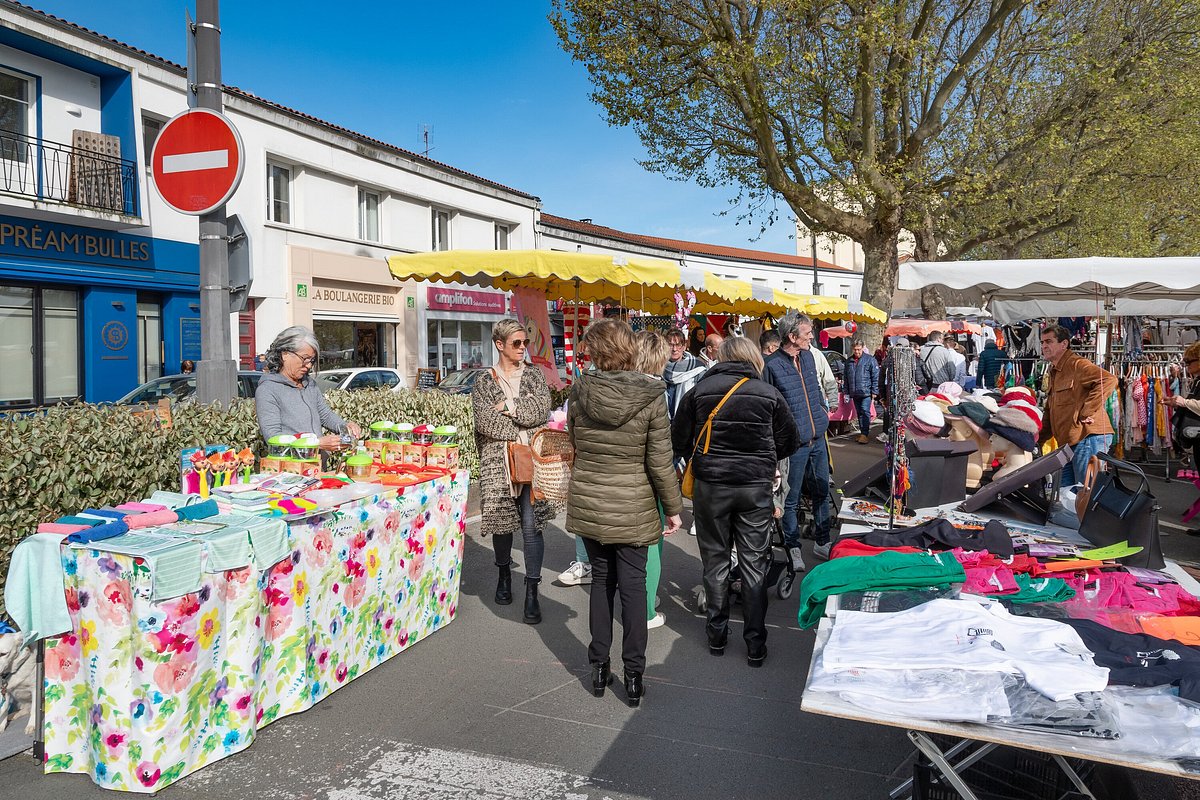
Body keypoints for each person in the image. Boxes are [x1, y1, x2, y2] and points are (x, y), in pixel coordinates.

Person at [566, 319, 682, 706]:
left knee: (602, 584)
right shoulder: (651, 396)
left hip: (592, 500)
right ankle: (634, 675)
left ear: (596, 353)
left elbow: (575, 444)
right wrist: (673, 509)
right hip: (634, 505)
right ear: (628, 350)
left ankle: (599, 666)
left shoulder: (579, 393)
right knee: (633, 591)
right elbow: (661, 462)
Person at [673, 337, 799, 666]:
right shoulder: (768, 393)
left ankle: (716, 635)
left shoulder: (700, 390)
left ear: (723, 357)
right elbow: (790, 440)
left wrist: (701, 458)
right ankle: (755, 642)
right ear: (753, 359)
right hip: (754, 487)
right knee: (754, 565)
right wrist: (763, 458)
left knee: (714, 563)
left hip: (711, 487)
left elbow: (679, 438)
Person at [472, 319, 554, 624]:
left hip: (532, 458)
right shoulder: (483, 380)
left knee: (533, 525)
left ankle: (532, 589)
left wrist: (507, 406)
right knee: (502, 524)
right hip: (497, 462)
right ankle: (504, 573)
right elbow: (485, 423)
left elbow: (541, 410)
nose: (523, 348)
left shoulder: (534, 375)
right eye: (517, 343)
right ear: (499, 344)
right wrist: (522, 416)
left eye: (525, 343)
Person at [762, 311, 833, 570]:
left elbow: (815, 390)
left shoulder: (809, 358)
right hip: (793, 444)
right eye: (807, 333)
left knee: (821, 490)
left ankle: (823, 540)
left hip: (817, 438)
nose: (811, 336)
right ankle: (793, 546)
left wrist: (822, 414)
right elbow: (769, 408)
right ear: (792, 336)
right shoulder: (771, 366)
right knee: (789, 499)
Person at [255, 326, 362, 447]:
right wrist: (316, 444)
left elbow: (325, 415)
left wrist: (345, 426)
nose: (309, 365)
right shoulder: (267, 390)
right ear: (285, 354)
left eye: (312, 360)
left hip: (317, 463)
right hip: (292, 465)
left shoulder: (310, 384)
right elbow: (273, 438)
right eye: (305, 359)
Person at [1039, 324, 1117, 486]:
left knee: (1085, 494)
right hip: (1070, 442)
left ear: (1064, 344)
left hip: (1087, 437)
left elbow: (1109, 379)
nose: (1044, 346)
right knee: (1067, 495)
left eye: (1049, 341)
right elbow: (1050, 409)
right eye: (1042, 342)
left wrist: (1086, 411)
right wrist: (1038, 439)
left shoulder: (1076, 364)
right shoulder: (1054, 371)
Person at [633, 330, 673, 630]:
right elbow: (660, 454)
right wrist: (673, 505)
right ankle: (646, 609)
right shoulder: (657, 392)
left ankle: (639, 601)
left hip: (617, 478)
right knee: (651, 545)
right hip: (648, 480)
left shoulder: (617, 384)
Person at [1167, 342, 1200, 530]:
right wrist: (1177, 403)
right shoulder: (1197, 380)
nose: (1186, 366)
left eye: (1189, 361)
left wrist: (1184, 402)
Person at [663, 327, 706, 418]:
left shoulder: (698, 368)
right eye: (670, 345)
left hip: (687, 420)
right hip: (663, 421)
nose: (674, 349)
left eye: (678, 345)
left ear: (684, 346)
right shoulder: (658, 367)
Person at [843, 339, 879, 444]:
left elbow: (875, 376)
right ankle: (863, 432)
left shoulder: (870, 359)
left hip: (866, 391)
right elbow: (846, 378)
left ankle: (864, 433)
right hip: (855, 392)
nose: (857, 352)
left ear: (863, 348)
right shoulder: (849, 361)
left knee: (865, 411)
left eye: (859, 349)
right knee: (859, 413)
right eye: (855, 350)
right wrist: (846, 392)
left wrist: (874, 391)